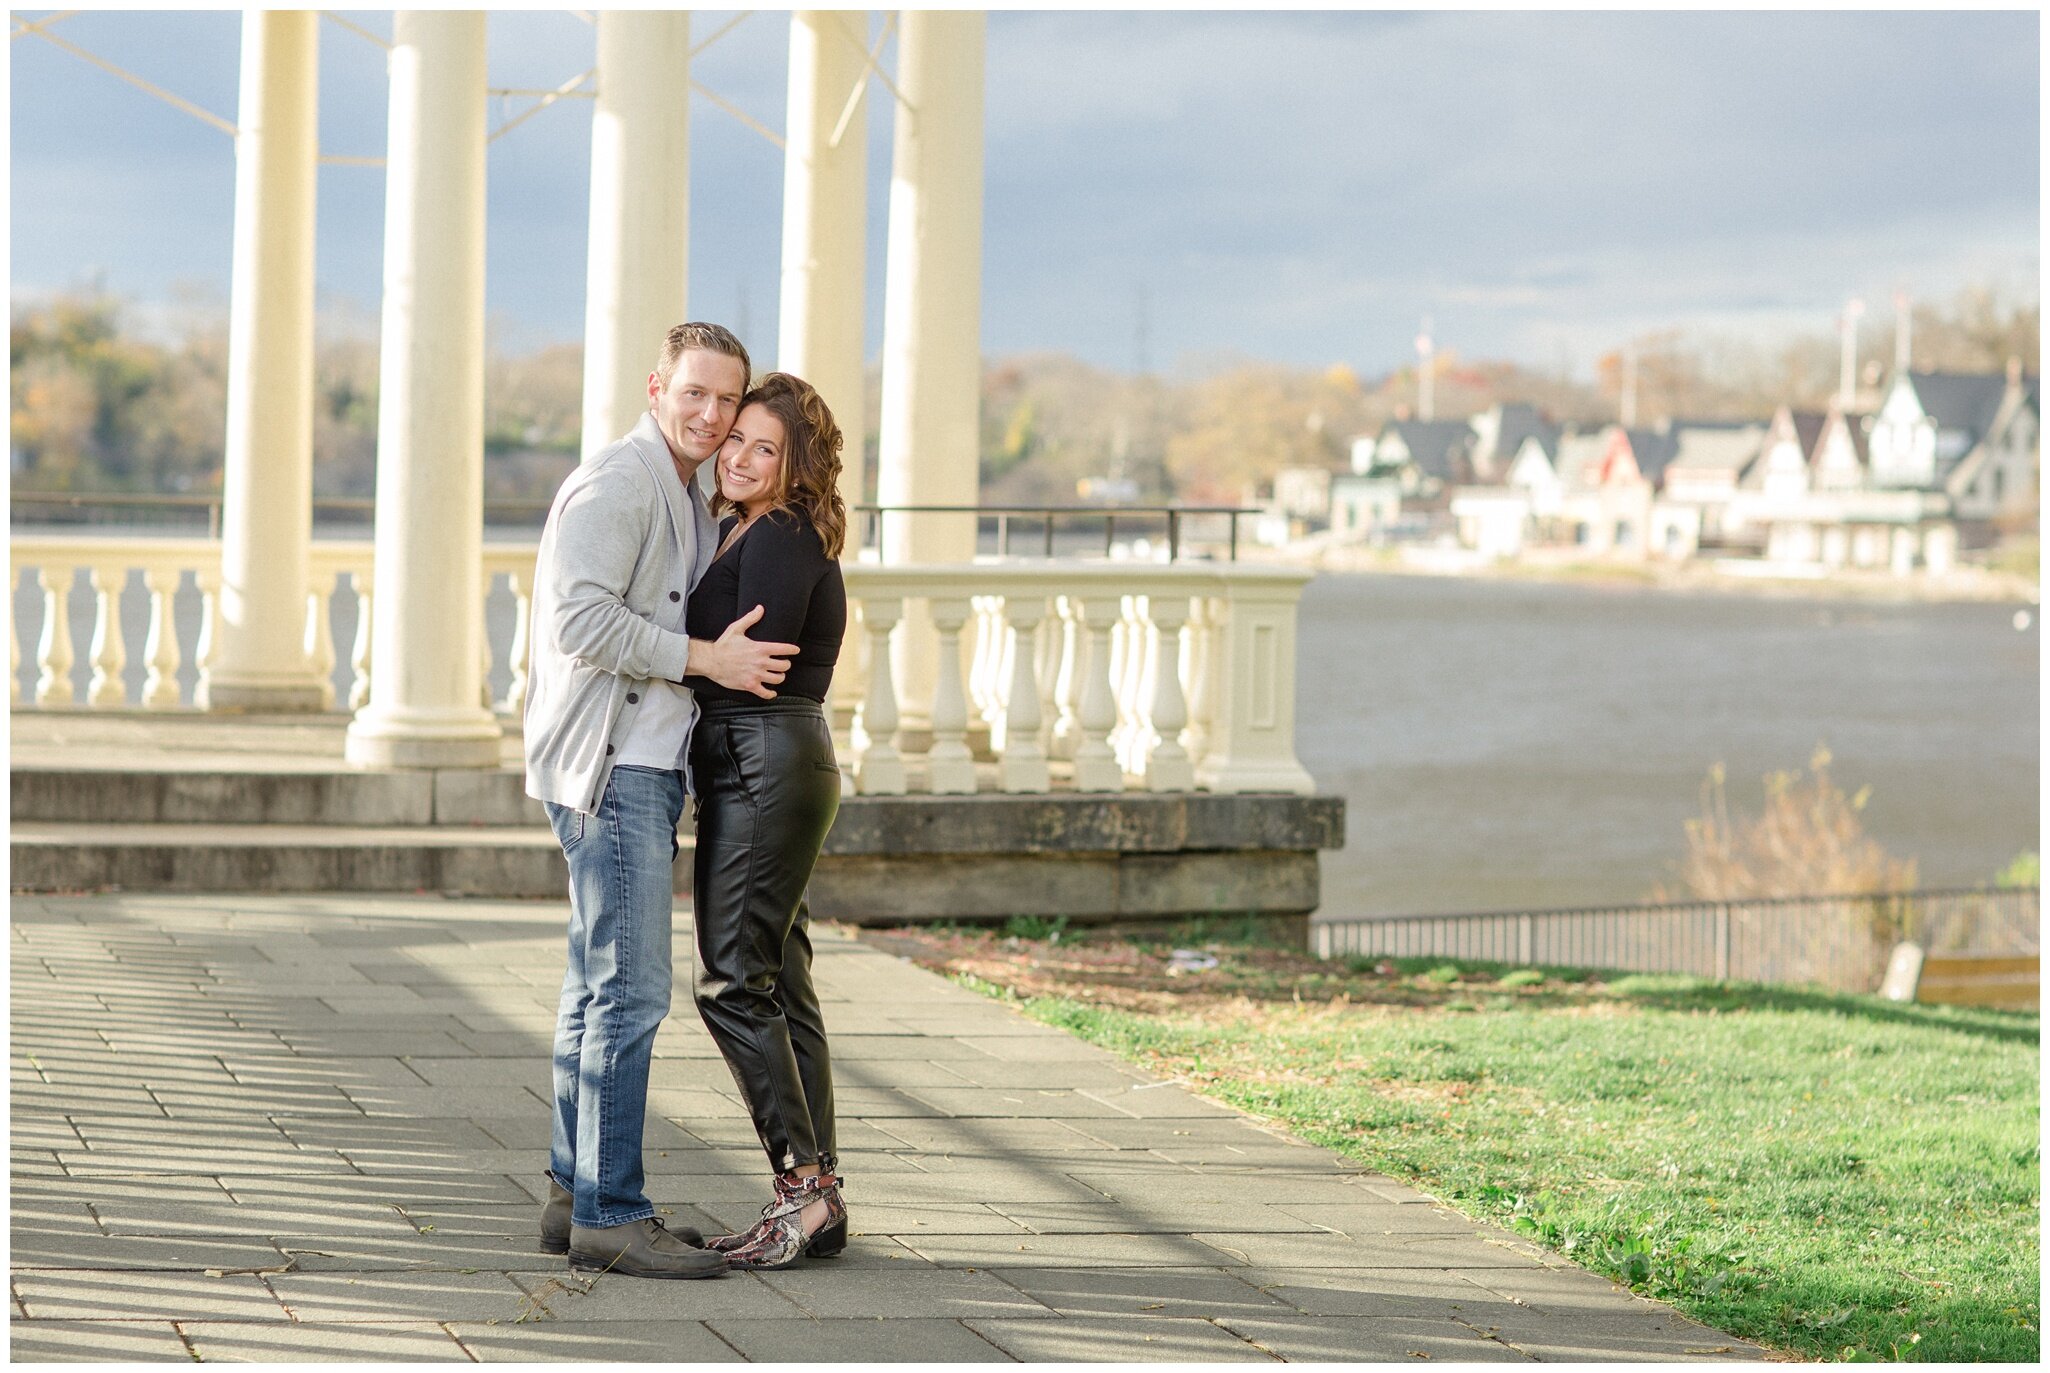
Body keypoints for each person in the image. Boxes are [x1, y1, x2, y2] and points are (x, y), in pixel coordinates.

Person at [523, 322, 798, 1280]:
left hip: (636, 763)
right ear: (656, 387)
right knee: (633, 991)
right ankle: (612, 1211)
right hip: (609, 767)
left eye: (728, 401)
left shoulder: (683, 491)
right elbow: (580, 618)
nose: (712, 415)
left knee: (594, 985)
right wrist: (702, 658)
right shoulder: (620, 481)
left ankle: (574, 1193)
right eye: (696, 394)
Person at [681, 372, 850, 1269]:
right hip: (771, 759)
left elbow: (756, 661)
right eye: (735, 440)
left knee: (732, 982)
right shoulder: (752, 526)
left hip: (764, 755)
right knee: (781, 978)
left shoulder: (782, 532)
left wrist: (679, 653)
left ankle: (802, 1189)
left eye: (764, 448)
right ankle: (822, 1196)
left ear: (796, 464)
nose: (739, 457)